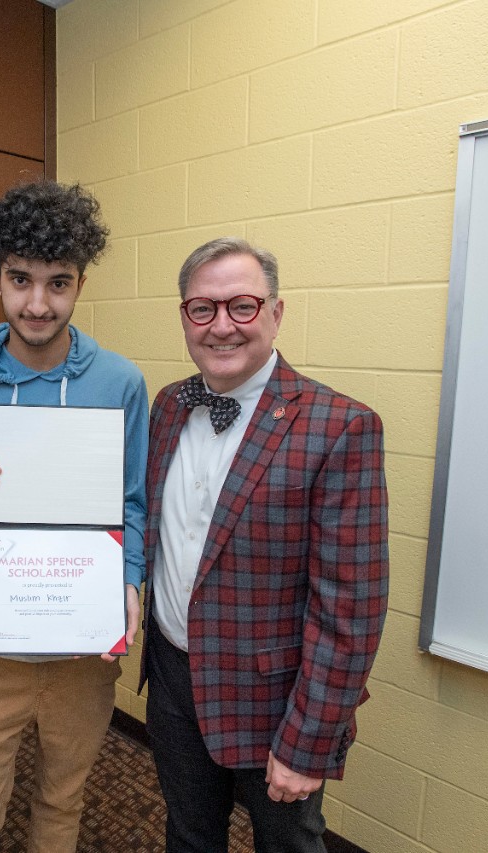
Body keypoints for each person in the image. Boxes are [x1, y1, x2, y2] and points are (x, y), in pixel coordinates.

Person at [142, 237, 390, 853]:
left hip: (275, 701)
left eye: (243, 306)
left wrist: (309, 743)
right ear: (184, 318)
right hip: (173, 679)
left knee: (288, 846)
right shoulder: (169, 405)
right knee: (189, 835)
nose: (222, 325)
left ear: (277, 314)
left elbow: (350, 610)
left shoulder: (341, 427)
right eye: (203, 309)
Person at [0, 178, 148, 853]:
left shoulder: (120, 382)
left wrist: (131, 579)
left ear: (79, 284)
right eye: (21, 279)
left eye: (57, 283)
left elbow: (133, 499)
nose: (37, 302)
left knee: (63, 801)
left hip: (81, 644)